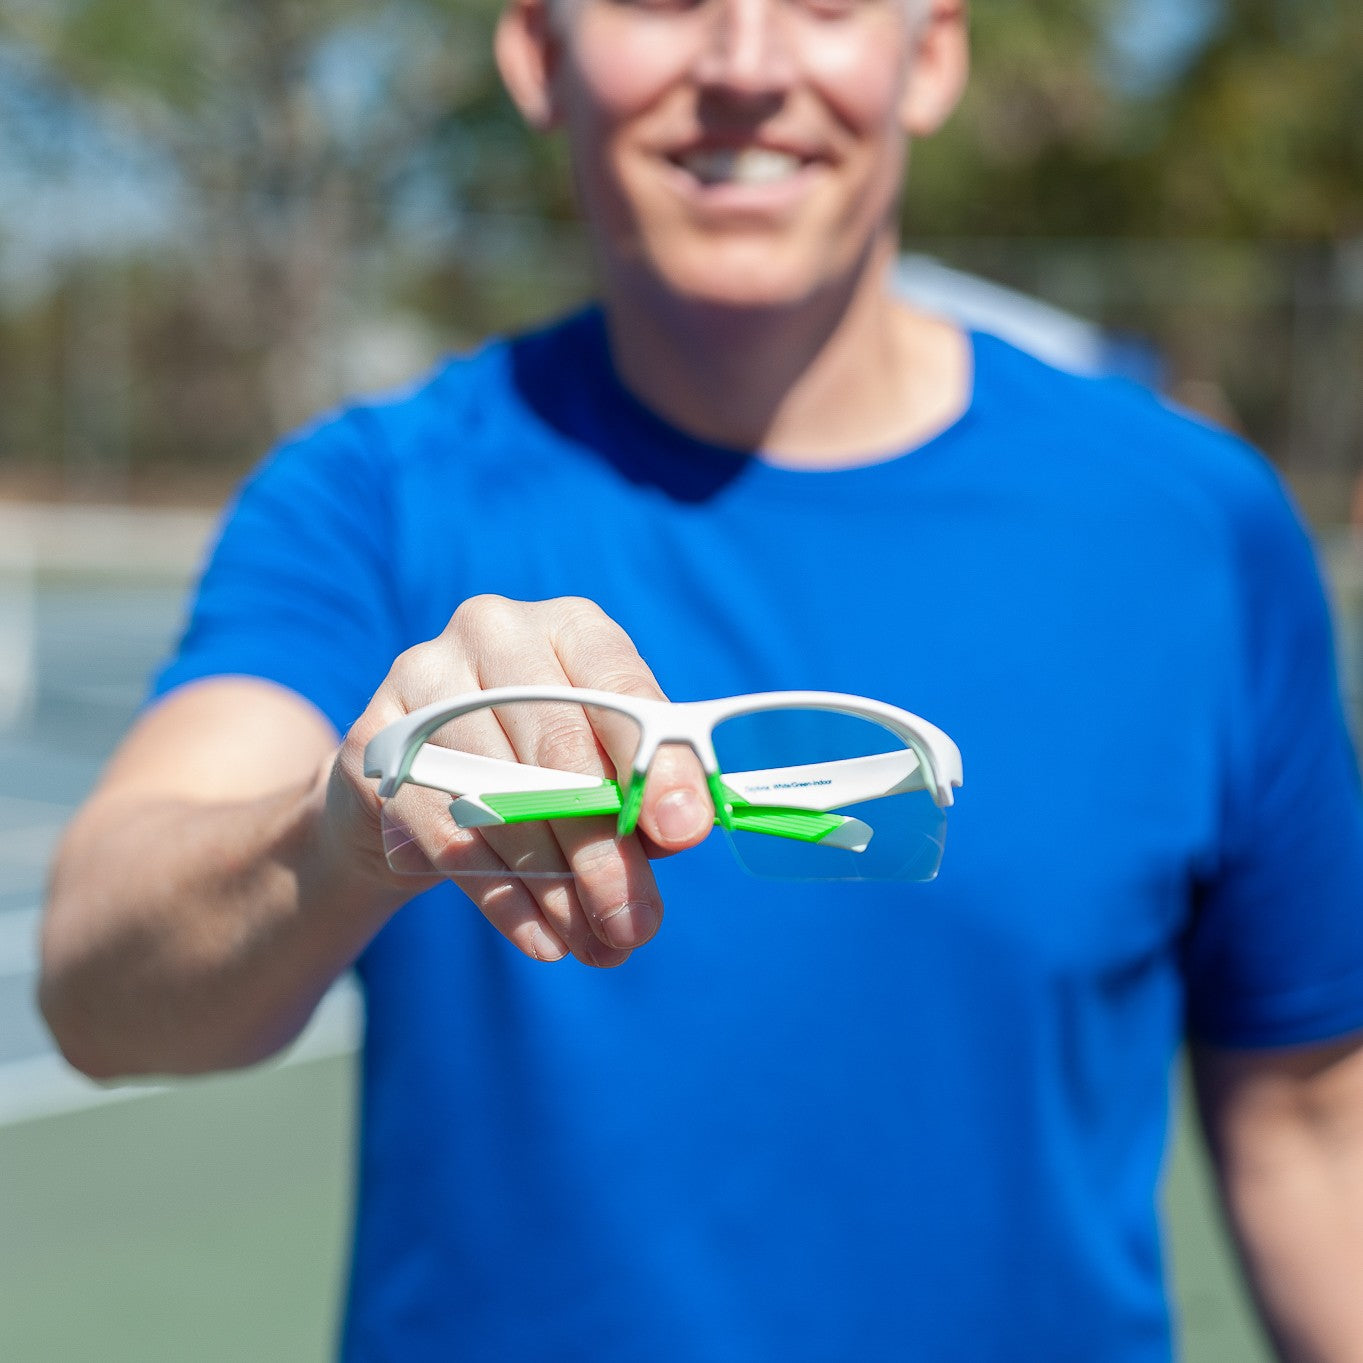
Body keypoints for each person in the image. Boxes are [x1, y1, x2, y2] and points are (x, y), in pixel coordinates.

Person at [39, 0, 1363, 1358]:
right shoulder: (373, 498)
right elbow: (97, 982)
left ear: (936, 52)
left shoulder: (1194, 531)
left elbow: (1314, 1124)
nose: (746, 63)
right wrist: (342, 826)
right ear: (538, 57)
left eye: (826, 3)